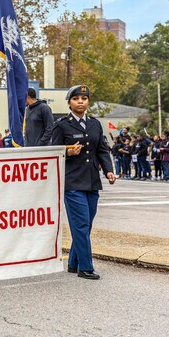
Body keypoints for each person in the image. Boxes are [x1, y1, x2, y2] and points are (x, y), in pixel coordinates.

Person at [51, 85, 115, 280]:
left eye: (84, 98)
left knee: (86, 226)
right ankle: (85, 267)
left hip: (92, 182)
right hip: (72, 182)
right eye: (76, 98)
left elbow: (102, 150)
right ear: (69, 102)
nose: (81, 101)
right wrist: (68, 152)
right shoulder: (62, 124)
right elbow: (52, 151)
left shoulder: (95, 124)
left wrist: (109, 170)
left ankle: (73, 262)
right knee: (80, 224)